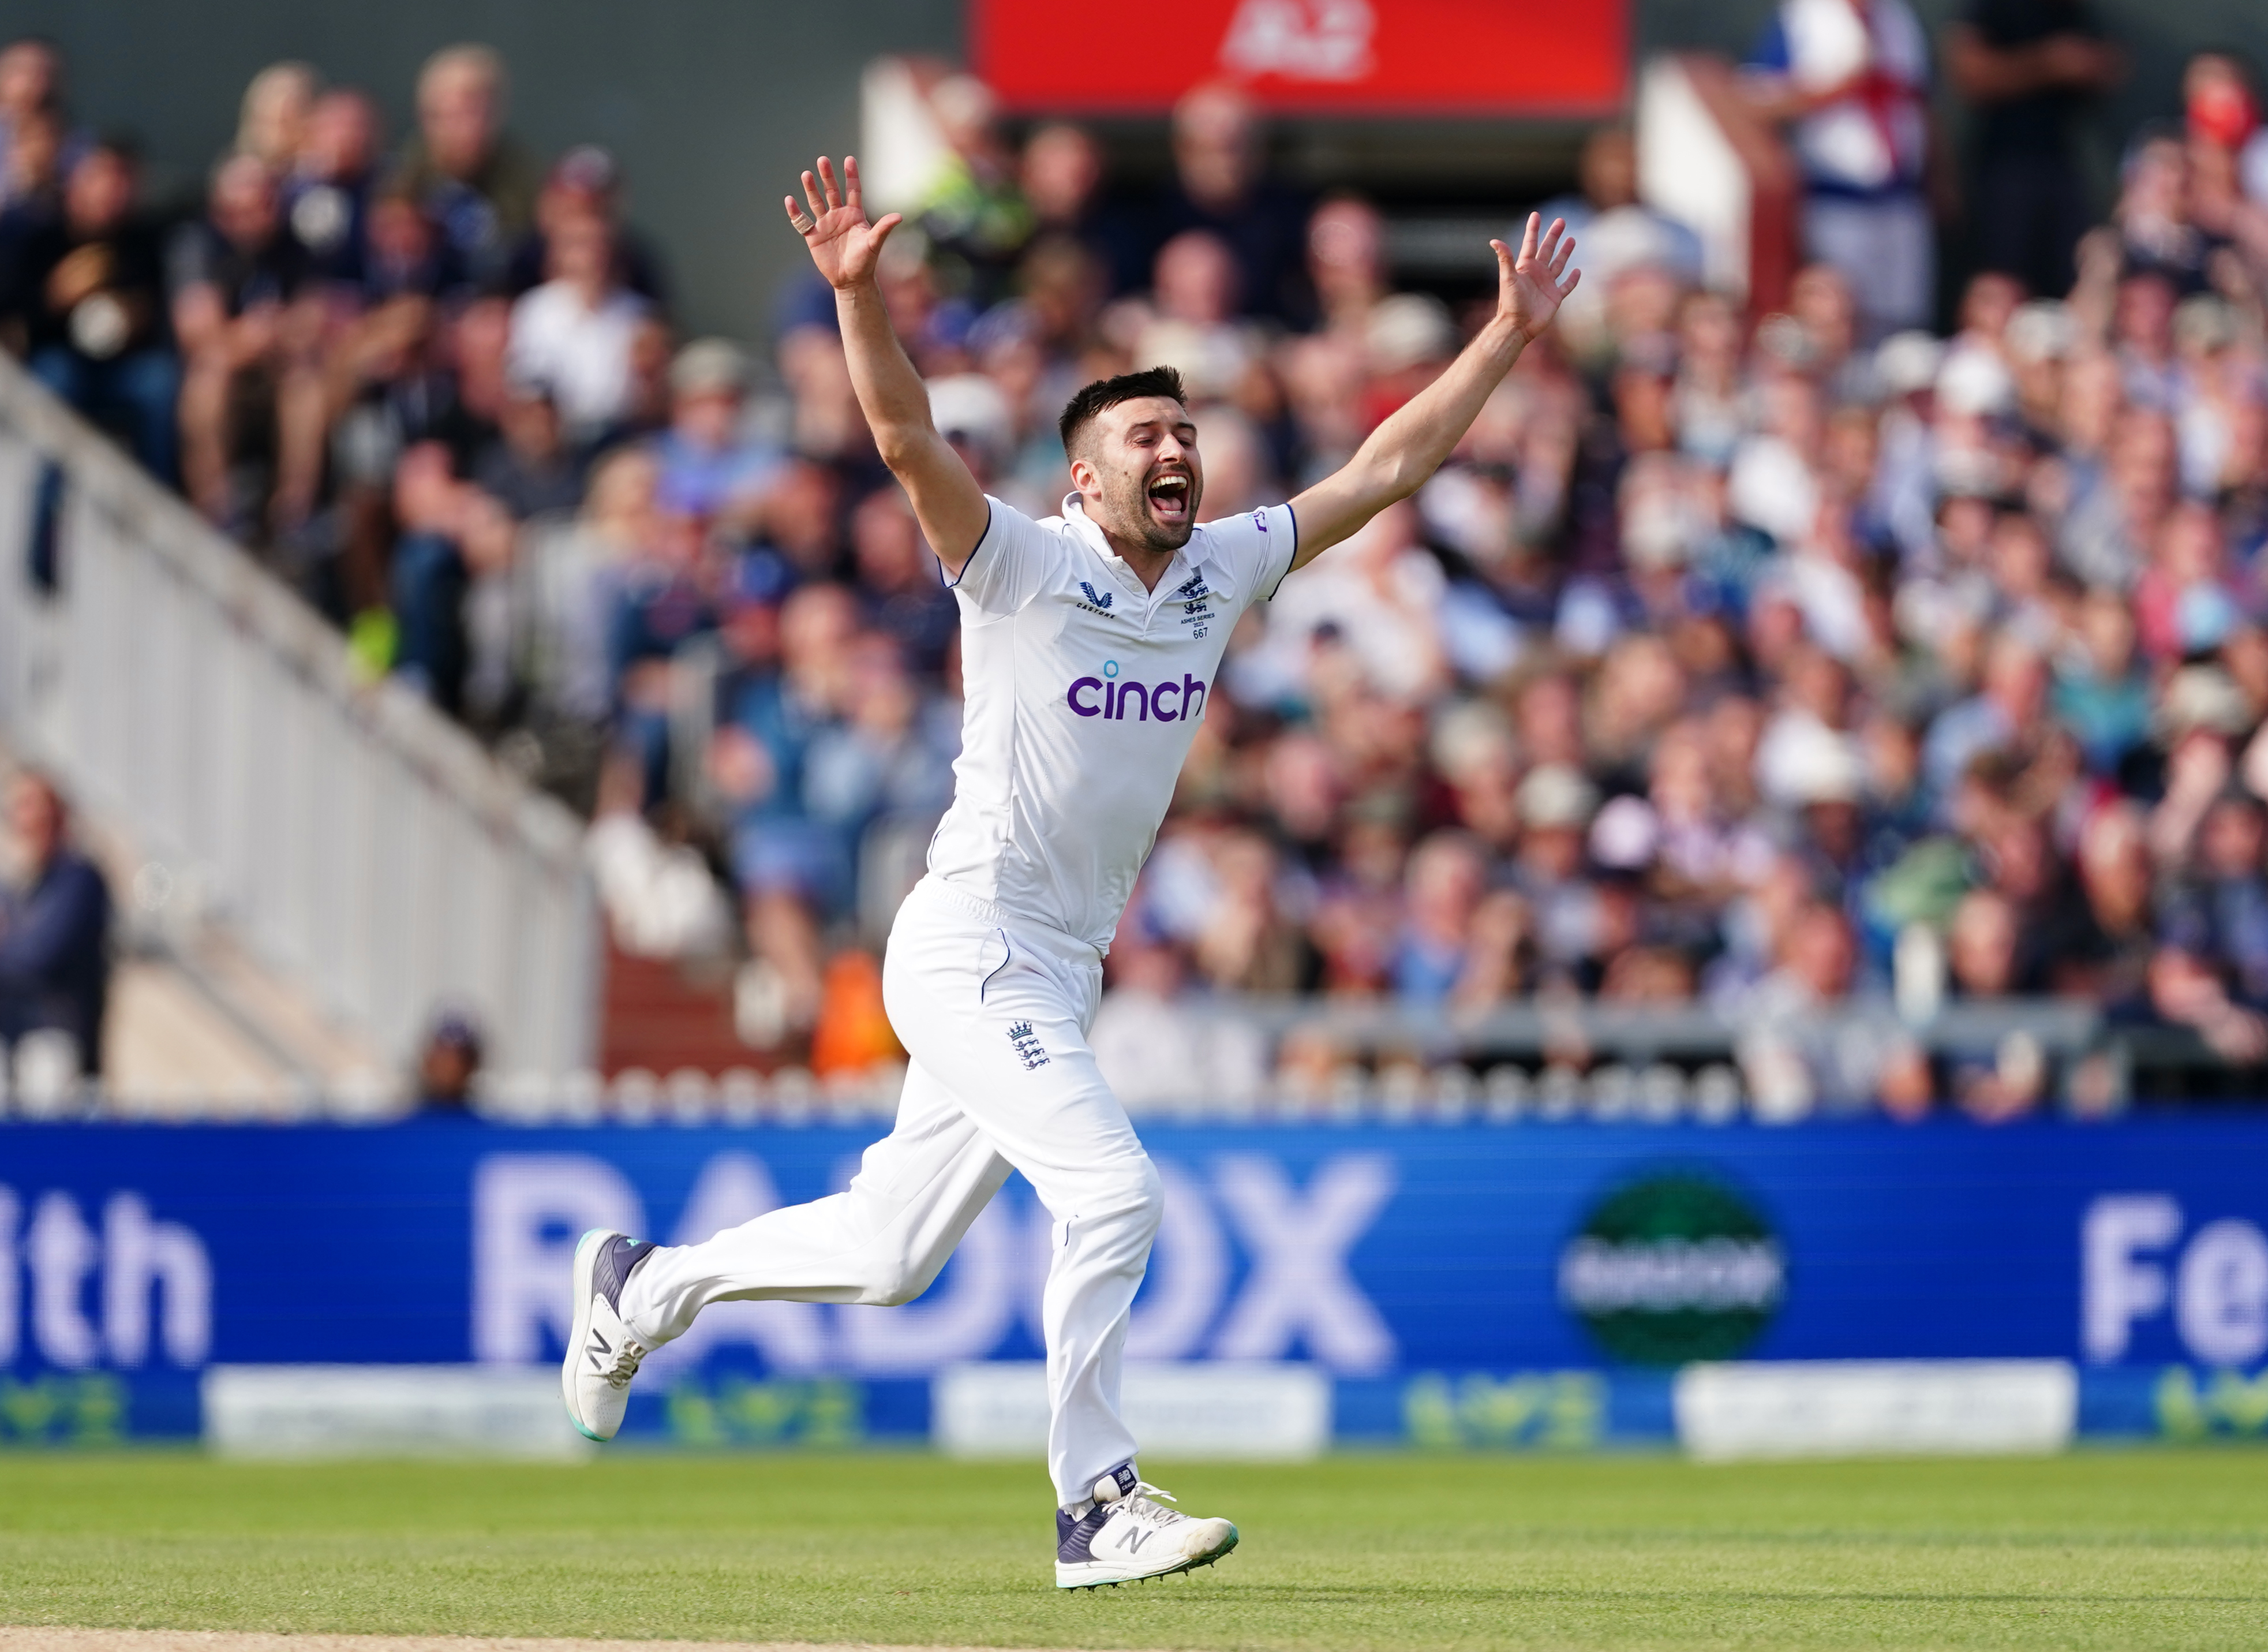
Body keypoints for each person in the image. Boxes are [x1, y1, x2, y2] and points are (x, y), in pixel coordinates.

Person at [559, 151, 1580, 1588]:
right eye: (1146, 436)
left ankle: (641, 1284)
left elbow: (1388, 466)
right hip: (970, 937)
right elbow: (910, 442)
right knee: (1113, 1193)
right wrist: (861, 300)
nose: (1176, 452)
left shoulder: (1224, 567)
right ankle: (1092, 1498)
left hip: (1054, 960)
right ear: (1085, 476)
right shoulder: (1023, 563)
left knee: (887, 1248)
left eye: (1186, 433)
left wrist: (1504, 337)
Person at [1745, 0, 1938, 337]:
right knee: (1841, 316)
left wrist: (1939, 179)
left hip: (1902, 200)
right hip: (1836, 199)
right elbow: (1753, 101)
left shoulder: (1897, 16)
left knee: (1905, 320)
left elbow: (1918, 100)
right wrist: (1831, 90)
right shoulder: (1802, 17)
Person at [1944, 0, 2121, 301]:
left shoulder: (2069, 10)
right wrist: (2047, 63)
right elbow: (1971, 74)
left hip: (2060, 163)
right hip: (2004, 165)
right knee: (2004, 282)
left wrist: (2088, 65)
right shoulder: (1990, 9)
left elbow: (2111, 65)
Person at [0, 771, 112, 1079]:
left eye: (33, 808)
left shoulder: (78, 881)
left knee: (45, 1068)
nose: (24, 821)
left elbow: (39, 957)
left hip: (56, 1036)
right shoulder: (15, 887)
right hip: (10, 1033)